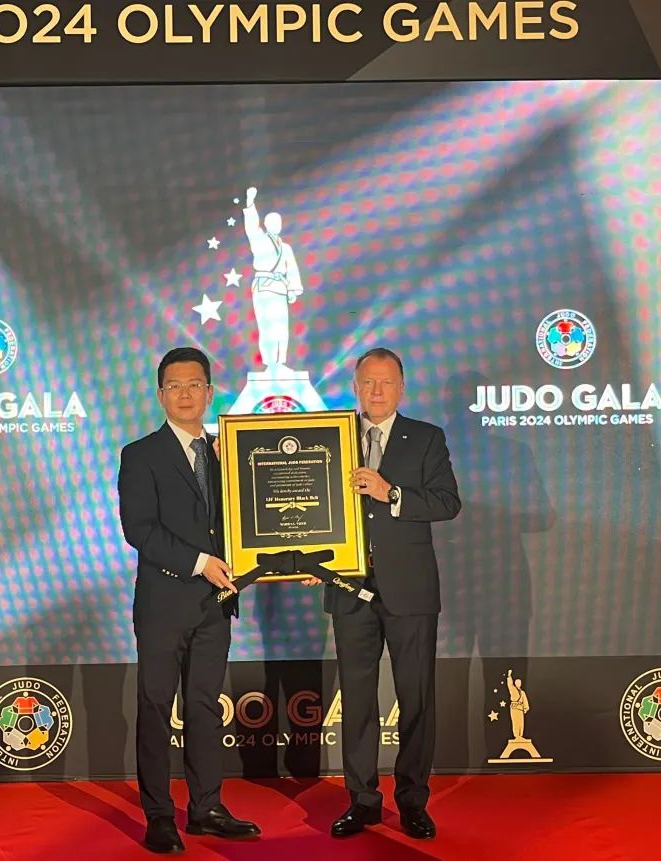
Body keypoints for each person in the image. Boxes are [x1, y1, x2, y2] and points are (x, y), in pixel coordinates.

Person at [118, 346, 261, 853]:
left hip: (214, 604)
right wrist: (200, 562)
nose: (185, 394)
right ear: (161, 395)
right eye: (174, 386)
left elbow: (251, 518)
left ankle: (206, 809)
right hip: (163, 604)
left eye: (194, 385)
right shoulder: (140, 454)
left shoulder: (229, 452)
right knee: (156, 707)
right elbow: (140, 530)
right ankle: (159, 815)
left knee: (204, 707)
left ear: (209, 392)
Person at [315, 347, 461, 840]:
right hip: (348, 588)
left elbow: (447, 502)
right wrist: (312, 559)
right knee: (357, 701)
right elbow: (312, 507)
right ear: (355, 387)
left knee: (416, 698)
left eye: (386, 382)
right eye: (368, 382)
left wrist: (391, 493)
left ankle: (413, 802)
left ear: (401, 388)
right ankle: (362, 801)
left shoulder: (426, 438)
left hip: (410, 590)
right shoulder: (331, 438)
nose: (376, 391)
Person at [243, 186, 303, 371]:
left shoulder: (286, 248)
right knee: (267, 327)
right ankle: (270, 362)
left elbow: (291, 269)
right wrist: (250, 204)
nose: (277, 225)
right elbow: (251, 227)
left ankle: (280, 361)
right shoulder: (260, 240)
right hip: (264, 287)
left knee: (281, 327)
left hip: (280, 288)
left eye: (279, 222)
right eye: (273, 222)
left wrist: (292, 290)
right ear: (267, 224)